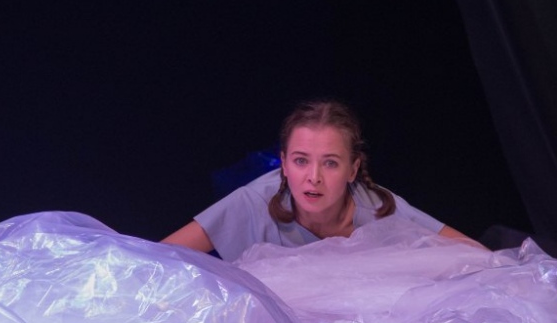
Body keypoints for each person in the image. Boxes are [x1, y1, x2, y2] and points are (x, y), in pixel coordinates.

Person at [162, 98, 485, 261]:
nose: (313, 178)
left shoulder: (379, 209)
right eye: (301, 161)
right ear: (284, 164)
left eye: (330, 163)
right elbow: (160, 256)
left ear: (352, 170)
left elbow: (475, 253)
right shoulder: (253, 202)